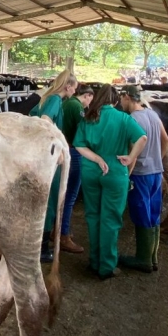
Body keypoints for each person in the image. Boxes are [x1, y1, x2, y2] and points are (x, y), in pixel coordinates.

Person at [73, 84, 147, 280]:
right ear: (115, 101)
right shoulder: (123, 118)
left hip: (90, 172)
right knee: (111, 220)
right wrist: (131, 158)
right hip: (115, 172)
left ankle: (94, 261)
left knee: (93, 216)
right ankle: (106, 266)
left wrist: (97, 158)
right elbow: (142, 138)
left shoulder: (89, 118)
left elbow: (78, 145)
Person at [118, 85, 168, 273]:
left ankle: (143, 259)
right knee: (154, 213)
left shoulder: (132, 119)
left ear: (127, 97)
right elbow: (166, 140)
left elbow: (133, 148)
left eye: (121, 98)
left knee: (141, 213)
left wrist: (127, 174)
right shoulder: (153, 114)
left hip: (140, 174)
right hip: (157, 172)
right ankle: (153, 257)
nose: (120, 102)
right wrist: (158, 159)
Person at [30, 69, 78, 263]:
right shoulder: (55, 100)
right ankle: (41, 248)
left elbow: (33, 117)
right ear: (67, 86)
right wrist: (57, 144)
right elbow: (45, 121)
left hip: (40, 156)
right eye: (75, 88)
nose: (75, 92)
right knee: (49, 200)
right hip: (49, 158)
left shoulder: (47, 97)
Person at [60, 84, 95, 253]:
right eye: (90, 98)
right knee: (70, 195)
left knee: (63, 194)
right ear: (87, 95)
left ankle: (57, 230)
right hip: (74, 151)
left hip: (64, 149)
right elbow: (84, 131)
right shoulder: (75, 106)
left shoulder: (66, 103)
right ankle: (63, 235)